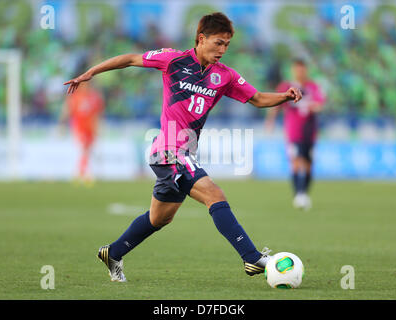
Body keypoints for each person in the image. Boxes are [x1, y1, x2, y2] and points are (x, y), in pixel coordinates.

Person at [64, 12, 302, 282]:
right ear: (201, 38)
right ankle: (252, 258)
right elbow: (130, 59)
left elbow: (257, 98)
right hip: (168, 150)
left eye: (227, 45)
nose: (222, 50)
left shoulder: (224, 76)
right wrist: (91, 72)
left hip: (185, 151)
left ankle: (113, 253)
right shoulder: (173, 60)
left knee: (159, 219)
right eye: (218, 43)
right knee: (215, 195)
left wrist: (284, 96)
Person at [265, 59, 325, 210]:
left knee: (309, 164)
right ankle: (299, 194)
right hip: (293, 131)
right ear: (293, 70)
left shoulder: (313, 87)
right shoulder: (286, 87)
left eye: (302, 69)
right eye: (297, 69)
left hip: (310, 131)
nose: (300, 72)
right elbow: (276, 104)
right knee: (296, 162)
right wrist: (270, 121)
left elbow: (320, 104)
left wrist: (313, 107)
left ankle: (304, 193)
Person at [60, 81, 104, 185]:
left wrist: (98, 128)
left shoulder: (94, 97)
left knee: (87, 150)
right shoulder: (75, 97)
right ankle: (82, 174)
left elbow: (97, 114)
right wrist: (62, 124)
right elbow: (67, 110)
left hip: (90, 128)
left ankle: (80, 172)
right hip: (79, 127)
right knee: (84, 149)